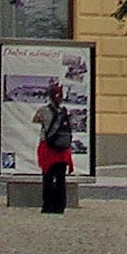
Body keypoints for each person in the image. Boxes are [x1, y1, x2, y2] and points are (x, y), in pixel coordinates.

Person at [33, 80, 76, 214]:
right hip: (63, 149)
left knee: (48, 177)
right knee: (61, 178)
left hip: (48, 148)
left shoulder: (43, 110)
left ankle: (47, 206)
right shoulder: (64, 111)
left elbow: (35, 119)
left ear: (49, 96)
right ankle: (60, 206)